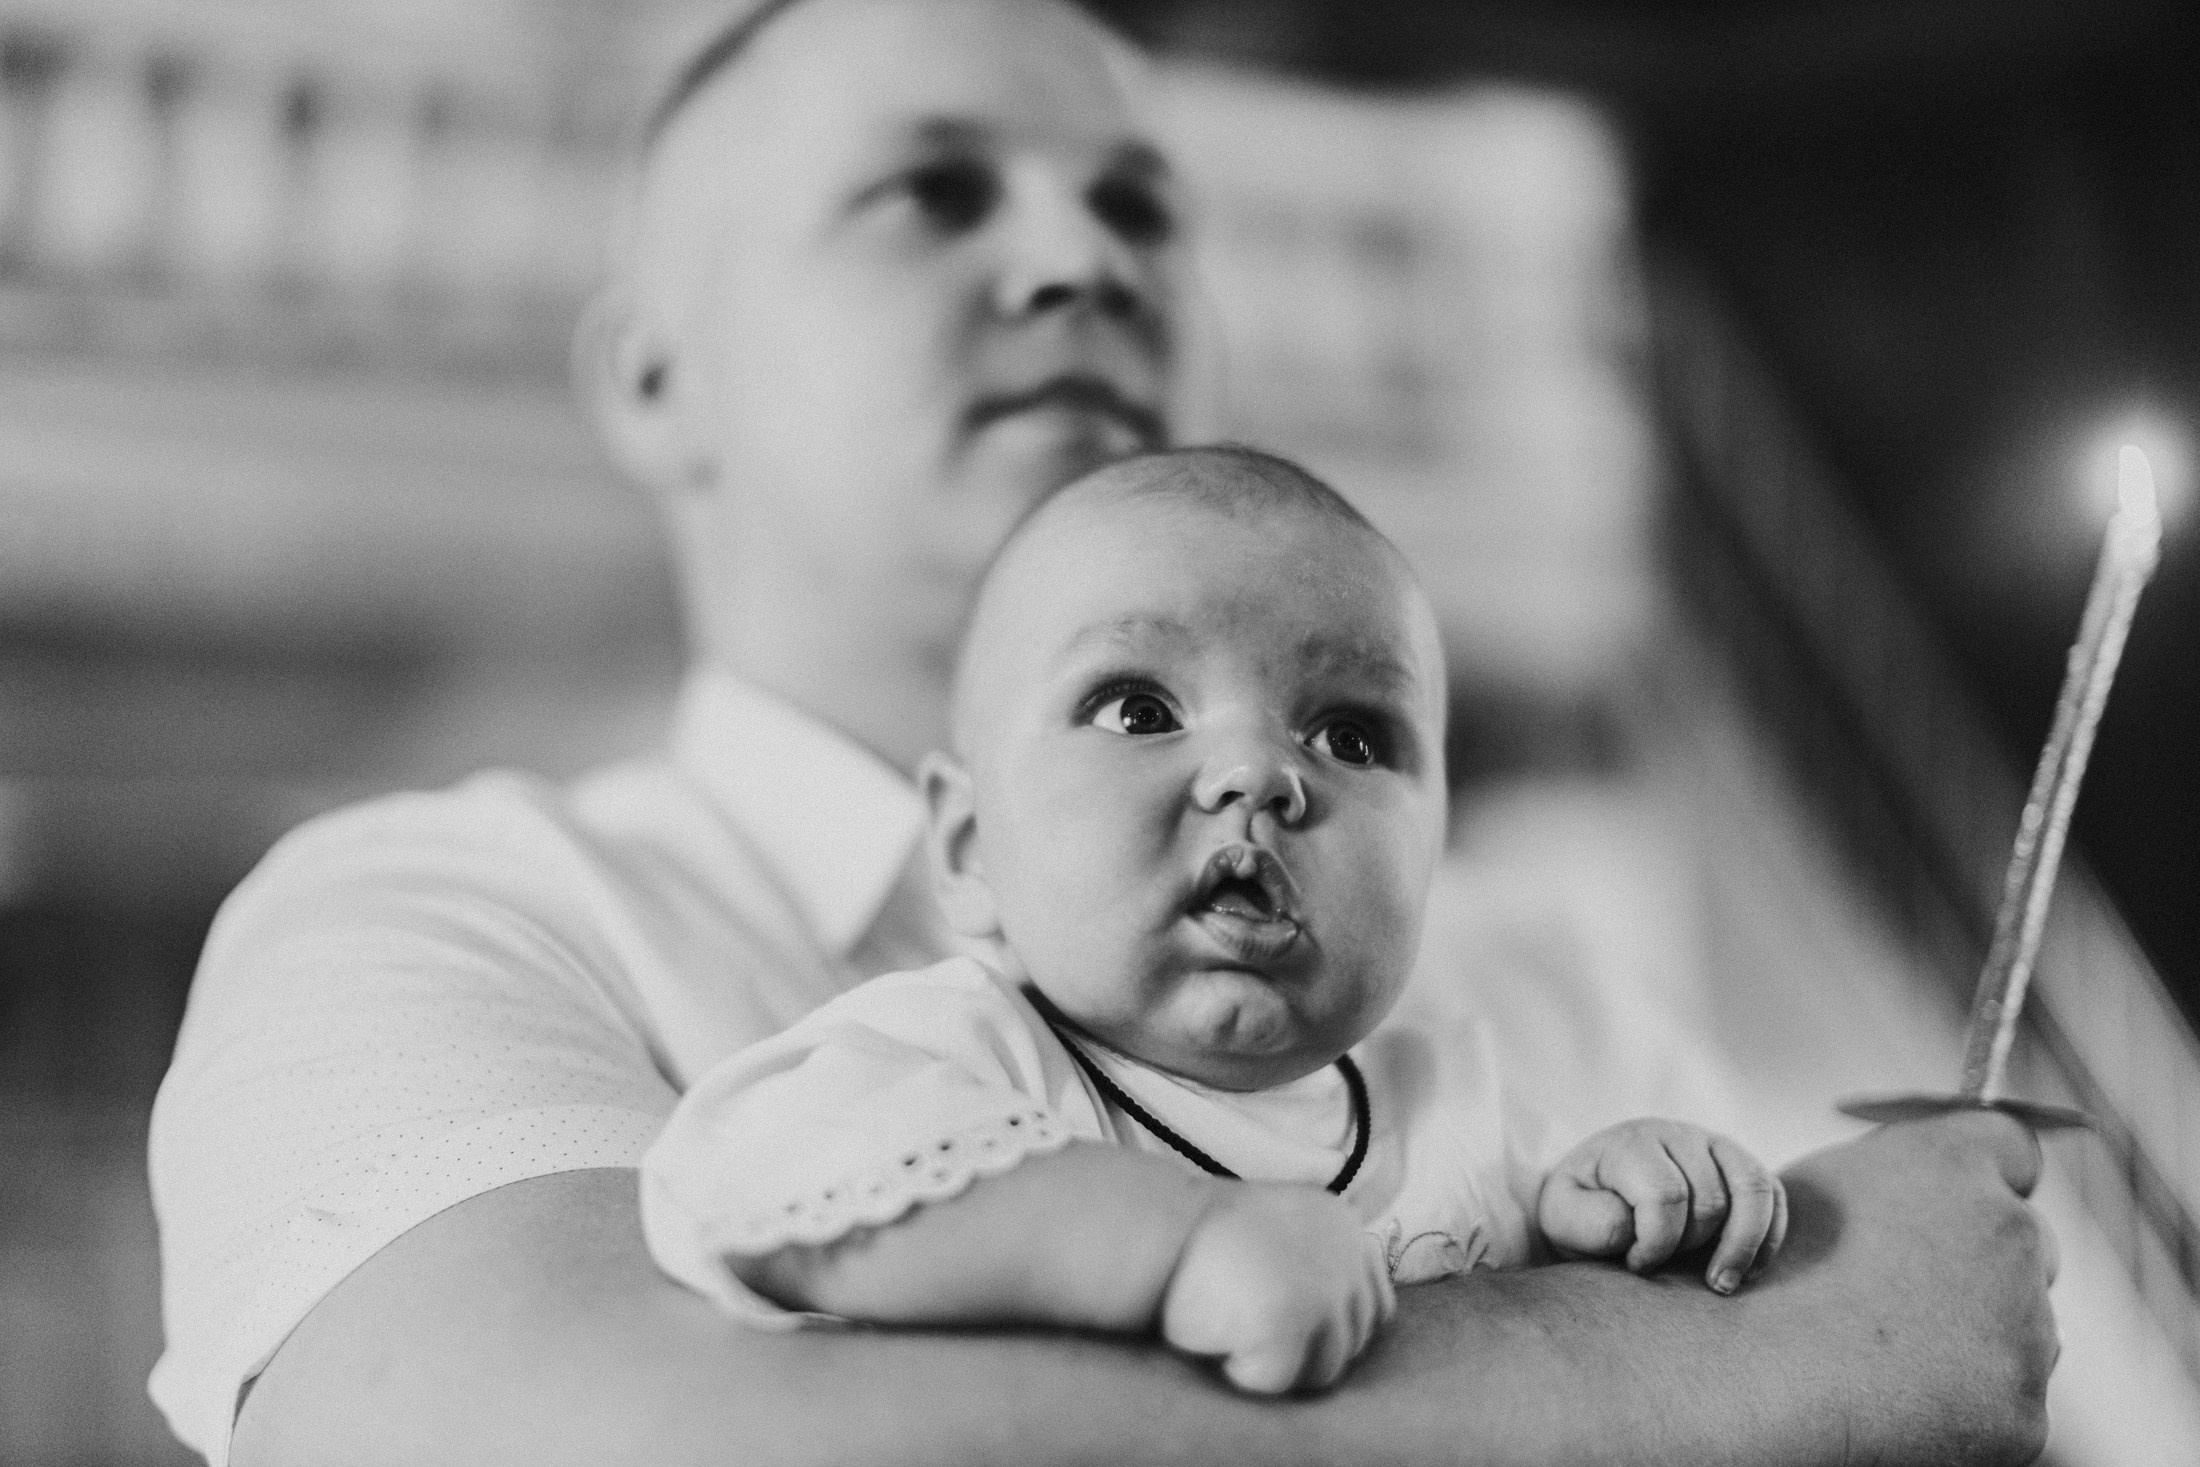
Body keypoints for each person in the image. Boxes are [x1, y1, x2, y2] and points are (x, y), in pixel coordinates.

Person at [147, 1, 2059, 1464]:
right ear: (657, 373)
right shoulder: (438, 918)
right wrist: (1778, 1361)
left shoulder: (1525, 989)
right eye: (933, 191)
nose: (1086, 259)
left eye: (1145, 206)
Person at [641, 446, 1787, 1395]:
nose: (1258, 773)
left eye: (1349, 734)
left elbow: (1583, 1222)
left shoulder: (1458, 1095)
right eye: (1138, 709)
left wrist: (1632, 1188)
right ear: (966, 844)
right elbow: (754, 1176)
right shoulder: (969, 1055)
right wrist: (1171, 1244)